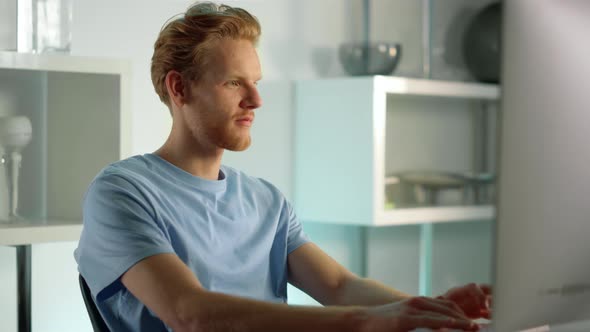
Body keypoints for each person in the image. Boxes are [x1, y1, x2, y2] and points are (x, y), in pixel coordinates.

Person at [75, 2, 491, 331]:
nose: (256, 100)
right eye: (234, 83)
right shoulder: (122, 192)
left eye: (256, 82)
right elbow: (191, 314)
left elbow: (338, 286)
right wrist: (368, 322)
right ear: (179, 88)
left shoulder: (265, 200)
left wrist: (432, 310)